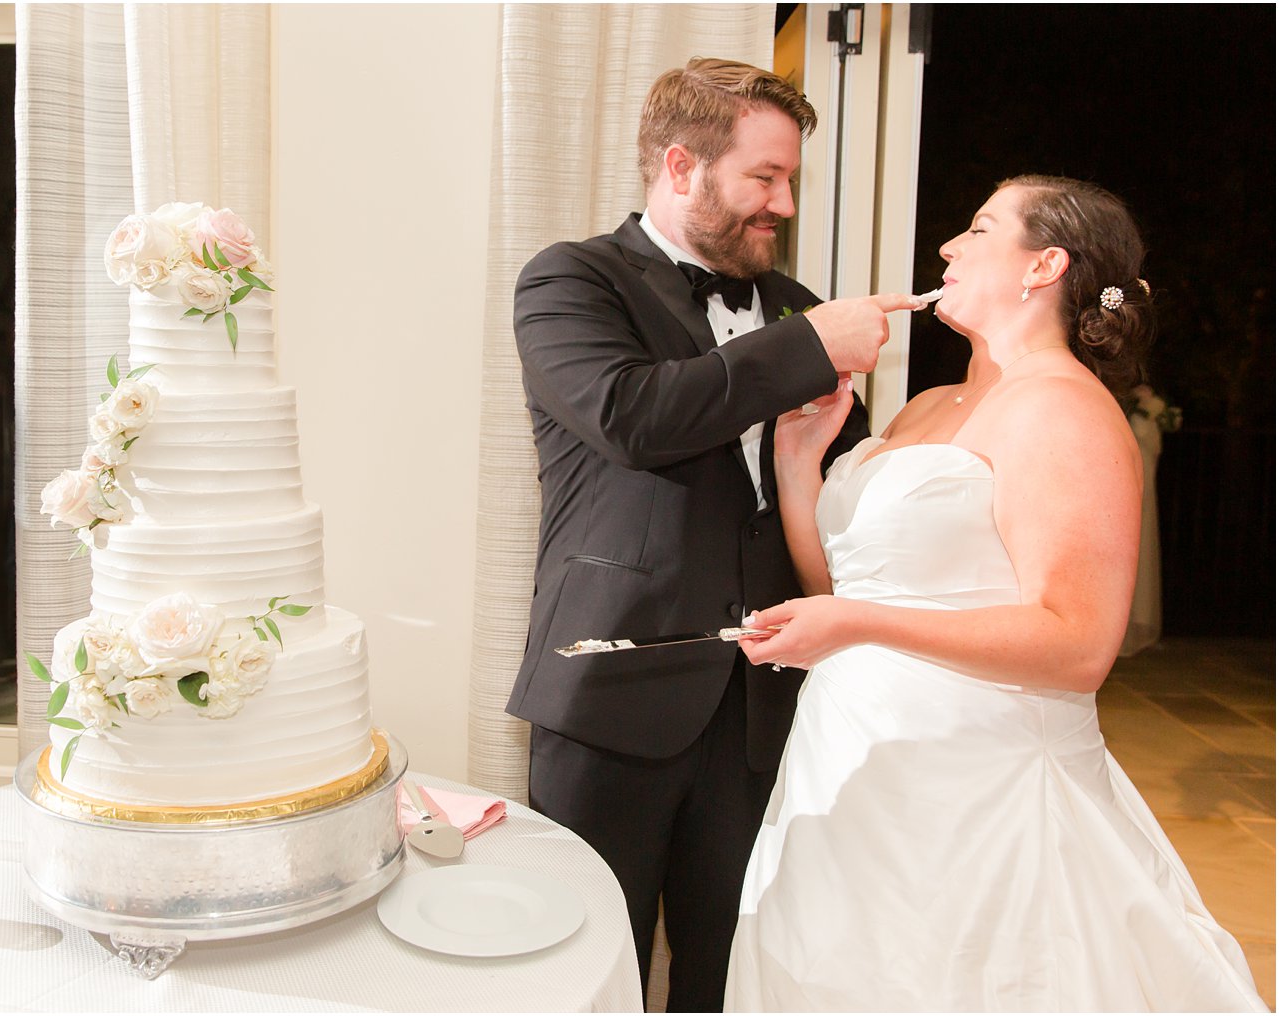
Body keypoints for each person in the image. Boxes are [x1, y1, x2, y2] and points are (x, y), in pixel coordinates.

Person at [725, 175, 1267, 1011]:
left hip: (978, 789)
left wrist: (854, 620)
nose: (949, 247)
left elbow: (1079, 645)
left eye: (979, 228)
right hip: (851, 765)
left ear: (1043, 264)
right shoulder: (928, 408)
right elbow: (845, 592)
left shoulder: (1066, 413)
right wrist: (798, 469)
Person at [506, 57, 922, 1010]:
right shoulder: (572, 279)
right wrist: (812, 346)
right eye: (763, 178)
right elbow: (631, 416)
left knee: (732, 972)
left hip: (766, 707)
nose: (781, 203)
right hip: (612, 691)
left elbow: (838, 503)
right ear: (683, 167)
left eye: (791, 181)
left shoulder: (793, 307)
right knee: (581, 967)